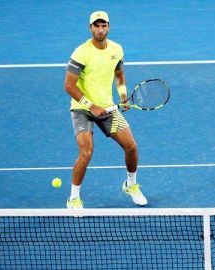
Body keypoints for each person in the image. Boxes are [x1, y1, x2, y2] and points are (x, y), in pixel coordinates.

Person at [63, 11, 147, 209]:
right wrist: (91, 106)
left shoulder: (117, 50)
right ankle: (74, 198)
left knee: (131, 147)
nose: (100, 29)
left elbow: (119, 73)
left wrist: (123, 95)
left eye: (103, 25)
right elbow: (69, 85)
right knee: (86, 153)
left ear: (108, 27)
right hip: (82, 109)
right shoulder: (81, 53)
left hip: (108, 108)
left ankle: (131, 185)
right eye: (96, 26)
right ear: (90, 27)